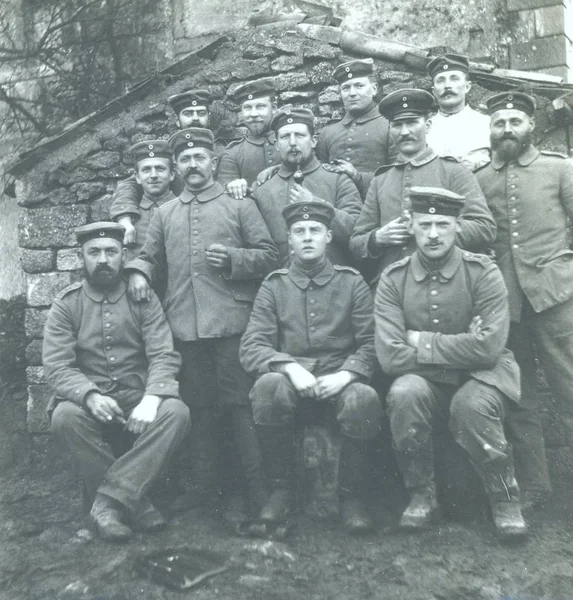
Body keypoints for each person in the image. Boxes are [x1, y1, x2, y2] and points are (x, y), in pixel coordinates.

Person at [127, 127, 278, 514]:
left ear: (213, 162)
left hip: (232, 325)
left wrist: (234, 259)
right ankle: (205, 492)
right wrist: (139, 272)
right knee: (198, 409)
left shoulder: (238, 205)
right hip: (185, 328)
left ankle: (256, 493)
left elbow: (268, 255)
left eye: (200, 158)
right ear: (176, 167)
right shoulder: (164, 213)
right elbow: (149, 255)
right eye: (185, 160)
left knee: (240, 408)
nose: (193, 165)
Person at [375, 187, 527, 540]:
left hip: (485, 380)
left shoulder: (483, 272)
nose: (432, 234)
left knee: (471, 403)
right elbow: (389, 356)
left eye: (442, 224)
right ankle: (421, 495)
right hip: (431, 383)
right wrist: (463, 348)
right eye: (424, 224)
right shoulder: (393, 279)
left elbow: (489, 348)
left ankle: (506, 501)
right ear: (410, 225)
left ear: (458, 226)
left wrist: (419, 340)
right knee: (405, 391)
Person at [240, 199, 382, 534]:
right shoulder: (274, 285)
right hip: (294, 383)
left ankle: (351, 498)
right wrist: (289, 368)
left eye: (315, 230)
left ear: (329, 236)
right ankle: (281, 489)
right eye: (299, 231)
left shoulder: (352, 283)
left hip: (339, 380)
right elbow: (253, 345)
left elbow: (373, 342)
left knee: (363, 398)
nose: (307, 237)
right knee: (268, 387)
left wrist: (347, 375)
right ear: (288, 239)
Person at [44, 222, 190, 542]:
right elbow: (57, 365)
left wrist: (152, 399)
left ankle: (108, 504)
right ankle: (136, 505)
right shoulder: (67, 304)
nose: (103, 259)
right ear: (80, 257)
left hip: (136, 394)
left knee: (176, 413)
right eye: (93, 252)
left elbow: (163, 354)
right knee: (64, 416)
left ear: (123, 255)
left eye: (111, 252)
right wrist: (89, 395)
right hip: (91, 397)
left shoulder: (143, 299)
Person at [475, 91, 573, 507]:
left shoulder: (558, 169)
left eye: (516, 121)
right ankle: (535, 485)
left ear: (531, 126)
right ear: (491, 130)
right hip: (507, 305)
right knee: (520, 397)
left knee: (569, 385)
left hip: (557, 297)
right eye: (500, 123)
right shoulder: (479, 179)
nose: (508, 129)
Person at [350, 88, 496, 283]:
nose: (404, 132)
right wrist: (378, 238)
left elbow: (484, 228)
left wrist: (433, 229)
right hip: (392, 286)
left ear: (427, 125)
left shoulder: (453, 171)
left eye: (412, 123)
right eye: (397, 125)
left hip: (446, 283)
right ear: (389, 129)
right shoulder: (381, 181)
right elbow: (356, 243)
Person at [253, 106, 362, 266]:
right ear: (276, 144)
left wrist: (317, 204)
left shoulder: (338, 179)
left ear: (313, 140)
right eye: (285, 137)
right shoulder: (262, 187)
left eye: (299, 135)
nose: (292, 142)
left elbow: (357, 231)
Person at [110, 89, 214, 246]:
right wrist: (124, 218)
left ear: (208, 117)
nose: (195, 119)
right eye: (188, 114)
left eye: (200, 113)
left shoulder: (222, 150)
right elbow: (131, 185)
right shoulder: (167, 153)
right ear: (178, 121)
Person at [316, 58, 395, 198]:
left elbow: (399, 177)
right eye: (346, 88)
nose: (352, 93)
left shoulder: (390, 125)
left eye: (359, 86)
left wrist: (358, 177)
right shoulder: (328, 132)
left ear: (374, 89)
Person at [217, 77, 281, 198]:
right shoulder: (232, 153)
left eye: (260, 106)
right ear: (241, 112)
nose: (253, 114)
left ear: (273, 108)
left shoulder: (289, 142)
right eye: (247, 108)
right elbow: (224, 195)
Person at [426, 53, 490, 171]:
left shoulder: (486, 123)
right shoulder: (425, 129)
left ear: (467, 86)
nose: (447, 86)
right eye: (440, 81)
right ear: (434, 91)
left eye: (454, 79)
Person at [120, 140, 176, 266]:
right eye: (146, 170)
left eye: (160, 168)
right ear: (137, 177)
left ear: (172, 174)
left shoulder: (186, 209)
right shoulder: (129, 218)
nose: (153, 175)